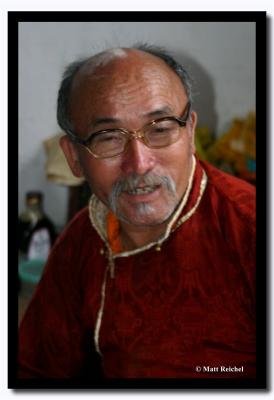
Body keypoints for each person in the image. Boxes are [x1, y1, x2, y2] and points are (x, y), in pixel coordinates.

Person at [18, 44, 256, 379]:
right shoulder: (81, 242)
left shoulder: (250, 230)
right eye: (108, 137)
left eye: (160, 129)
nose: (139, 164)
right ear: (73, 157)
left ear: (189, 133)